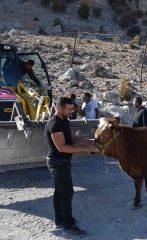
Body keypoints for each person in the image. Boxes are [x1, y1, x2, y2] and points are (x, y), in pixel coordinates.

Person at [45, 97, 99, 236]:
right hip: (57, 162)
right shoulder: (55, 124)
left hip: (62, 162)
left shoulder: (64, 121)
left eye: (72, 109)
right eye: (68, 109)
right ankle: (68, 227)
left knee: (60, 192)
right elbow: (62, 147)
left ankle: (60, 220)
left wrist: (91, 142)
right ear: (59, 108)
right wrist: (85, 149)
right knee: (67, 193)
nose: (71, 111)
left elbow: (74, 138)